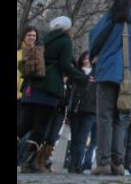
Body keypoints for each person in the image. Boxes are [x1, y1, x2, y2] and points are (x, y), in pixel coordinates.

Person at [88, 0, 131, 176]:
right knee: (121, 119)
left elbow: (95, 37)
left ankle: (103, 162)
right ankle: (118, 163)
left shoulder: (113, 15)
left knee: (104, 117)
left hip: (108, 72)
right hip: (129, 77)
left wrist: (93, 56)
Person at [17, 16, 88, 173]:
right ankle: (28, 162)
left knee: (24, 125)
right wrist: (82, 78)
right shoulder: (64, 41)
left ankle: (28, 161)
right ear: (67, 28)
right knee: (40, 127)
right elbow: (64, 64)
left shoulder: (43, 39)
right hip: (49, 88)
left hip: (31, 86)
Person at [67, 51, 97, 173]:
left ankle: (78, 163)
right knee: (74, 137)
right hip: (75, 108)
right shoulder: (76, 72)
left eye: (88, 58)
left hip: (90, 109)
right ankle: (72, 163)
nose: (86, 60)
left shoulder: (97, 72)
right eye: (84, 58)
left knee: (83, 137)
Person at [17, 25, 38, 166]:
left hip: (28, 96)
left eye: (34, 36)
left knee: (24, 128)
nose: (31, 38)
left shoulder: (37, 53)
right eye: (29, 35)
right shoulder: (19, 53)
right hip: (18, 94)